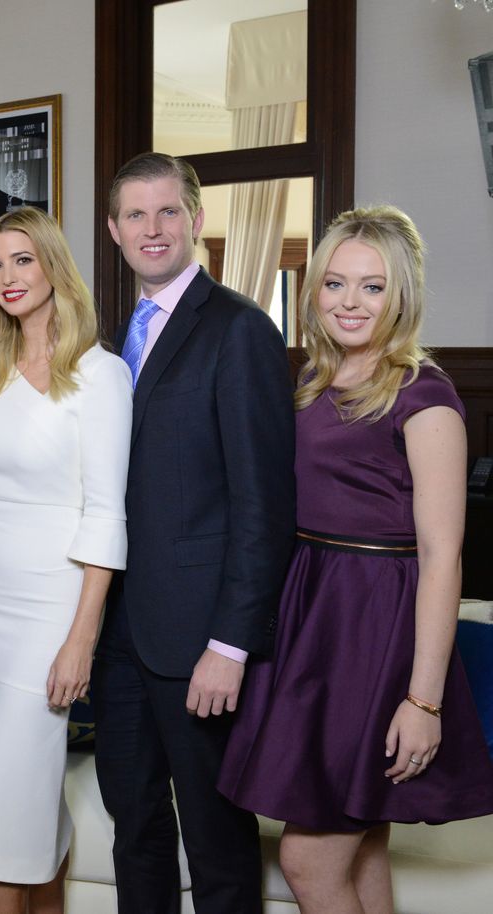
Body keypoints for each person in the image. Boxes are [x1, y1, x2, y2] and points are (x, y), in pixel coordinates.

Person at [218, 205, 493, 913]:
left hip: (375, 635)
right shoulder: (314, 380)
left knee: (309, 860)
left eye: (371, 287)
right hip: (313, 620)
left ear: (401, 295)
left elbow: (443, 556)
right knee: (361, 846)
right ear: (313, 292)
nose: (350, 302)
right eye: (335, 283)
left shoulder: (424, 396)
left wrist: (423, 700)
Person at [94, 152, 296, 914]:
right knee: (134, 828)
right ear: (114, 229)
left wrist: (231, 644)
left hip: (200, 645)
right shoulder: (114, 341)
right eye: (137, 215)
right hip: (119, 637)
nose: (154, 229)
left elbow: (263, 504)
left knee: (216, 843)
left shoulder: (239, 329)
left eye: (168, 212)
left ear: (197, 221)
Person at [0, 208, 131, 914]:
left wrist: (81, 638)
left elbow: (107, 514)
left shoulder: (99, 375)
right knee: (24, 812)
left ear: (53, 266)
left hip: (50, 609)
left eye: (23, 260)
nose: (9, 277)